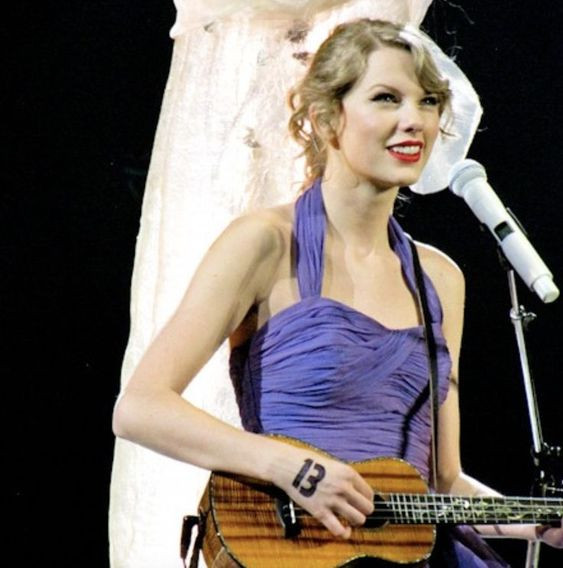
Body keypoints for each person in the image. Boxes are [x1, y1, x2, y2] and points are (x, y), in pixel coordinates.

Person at [112, 17, 562, 567]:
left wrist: (537, 523)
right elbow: (140, 408)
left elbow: (443, 482)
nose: (414, 120)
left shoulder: (440, 279)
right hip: (294, 551)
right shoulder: (265, 243)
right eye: (386, 98)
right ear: (327, 117)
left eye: (427, 102)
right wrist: (290, 468)